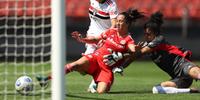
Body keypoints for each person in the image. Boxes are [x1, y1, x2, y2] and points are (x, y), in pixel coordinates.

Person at [36, 9, 144, 93]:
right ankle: (46, 78)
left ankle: (95, 82)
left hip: (105, 69)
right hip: (95, 58)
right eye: (117, 21)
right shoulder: (111, 31)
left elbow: (132, 50)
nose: (118, 23)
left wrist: (135, 50)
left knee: (101, 92)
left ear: (127, 24)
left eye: (121, 21)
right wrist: (82, 39)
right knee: (74, 65)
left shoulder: (128, 40)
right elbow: (96, 39)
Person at [103, 11, 200, 94]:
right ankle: (191, 91)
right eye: (145, 34)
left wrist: (121, 56)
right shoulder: (147, 44)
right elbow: (133, 57)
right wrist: (121, 66)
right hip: (180, 79)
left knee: (193, 71)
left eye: (148, 34)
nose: (146, 36)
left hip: (182, 65)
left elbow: (139, 53)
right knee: (156, 89)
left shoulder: (159, 39)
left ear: (155, 34)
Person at [83, 0, 119, 93]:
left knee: (100, 61)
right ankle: (97, 82)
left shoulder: (111, 5)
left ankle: (96, 84)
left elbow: (114, 25)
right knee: (86, 64)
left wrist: (105, 38)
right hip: (92, 34)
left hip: (105, 37)